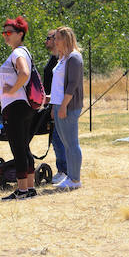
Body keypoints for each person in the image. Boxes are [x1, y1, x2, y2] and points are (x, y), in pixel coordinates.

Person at [0, 16, 37, 200]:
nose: (6, 35)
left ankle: (22, 190)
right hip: (24, 106)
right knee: (24, 147)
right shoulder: (24, 52)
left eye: (9, 32)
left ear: (20, 34)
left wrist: (11, 89)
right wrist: (1, 84)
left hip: (15, 107)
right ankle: (29, 188)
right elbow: (20, 76)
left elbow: (24, 73)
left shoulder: (17, 53)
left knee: (18, 148)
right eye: (4, 33)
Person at [50, 27, 84, 190]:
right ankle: (70, 176)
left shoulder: (74, 58)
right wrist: (54, 105)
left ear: (66, 39)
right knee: (66, 143)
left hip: (68, 106)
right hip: (59, 105)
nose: (55, 41)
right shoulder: (63, 58)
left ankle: (75, 180)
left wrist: (63, 105)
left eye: (57, 38)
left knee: (71, 143)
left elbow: (72, 84)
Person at [43, 29, 67, 183]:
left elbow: (61, 86)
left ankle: (64, 170)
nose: (46, 41)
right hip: (51, 103)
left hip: (57, 103)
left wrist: (54, 106)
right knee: (55, 137)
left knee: (59, 138)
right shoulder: (54, 59)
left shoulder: (62, 59)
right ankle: (63, 169)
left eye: (49, 38)